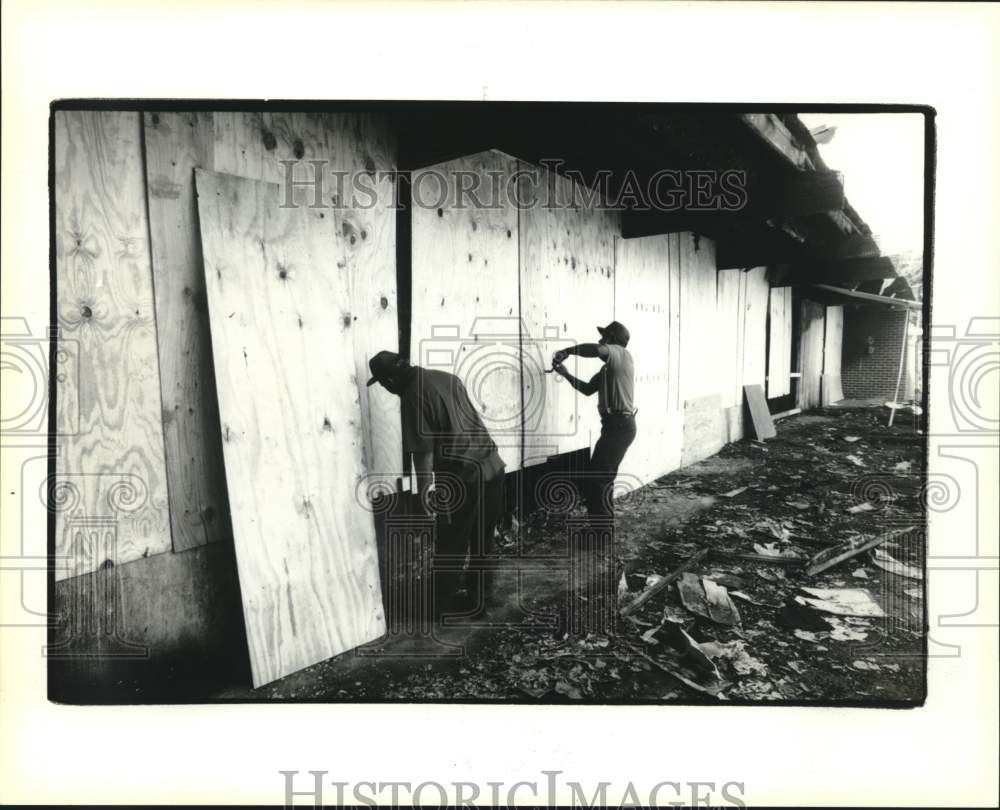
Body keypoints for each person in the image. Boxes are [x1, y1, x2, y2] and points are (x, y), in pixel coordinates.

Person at [367, 350, 505, 615]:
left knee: (450, 545)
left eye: (383, 383)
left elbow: (424, 453)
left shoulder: (412, 397)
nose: (385, 389)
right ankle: (479, 602)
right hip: (493, 466)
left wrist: (424, 495)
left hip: (462, 477)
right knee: (482, 541)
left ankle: (436, 609)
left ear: (391, 380)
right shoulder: (447, 378)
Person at [552, 320, 636, 521]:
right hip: (616, 427)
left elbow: (597, 350)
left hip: (619, 426)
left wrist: (568, 350)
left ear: (612, 339)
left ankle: (600, 533)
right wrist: (566, 374)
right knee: (602, 479)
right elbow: (588, 390)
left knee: (596, 479)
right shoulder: (609, 369)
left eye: (604, 336)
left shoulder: (620, 354)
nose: (600, 340)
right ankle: (603, 530)